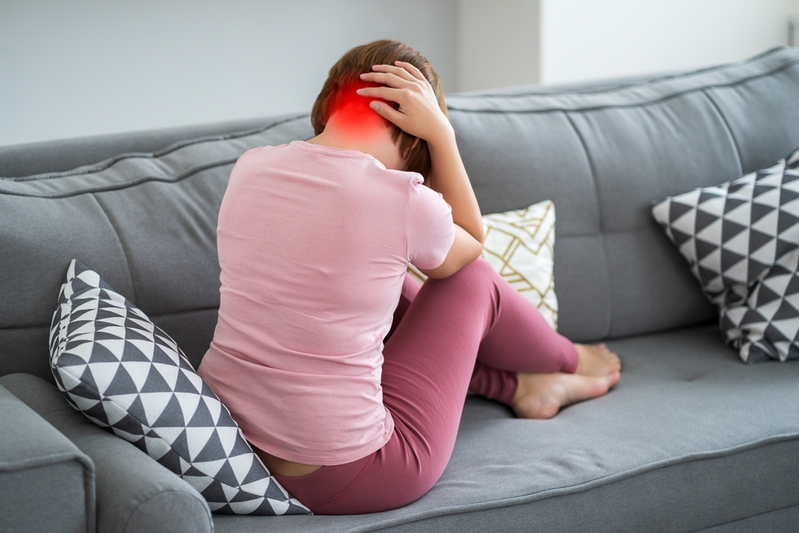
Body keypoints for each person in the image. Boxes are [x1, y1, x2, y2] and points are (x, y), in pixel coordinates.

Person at [197, 39, 621, 515]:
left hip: (237, 444)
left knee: (385, 281)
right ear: (416, 130)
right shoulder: (400, 200)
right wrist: (444, 137)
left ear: (329, 102)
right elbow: (470, 247)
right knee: (471, 279)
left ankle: (520, 387)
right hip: (356, 473)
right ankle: (569, 358)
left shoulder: (250, 167)